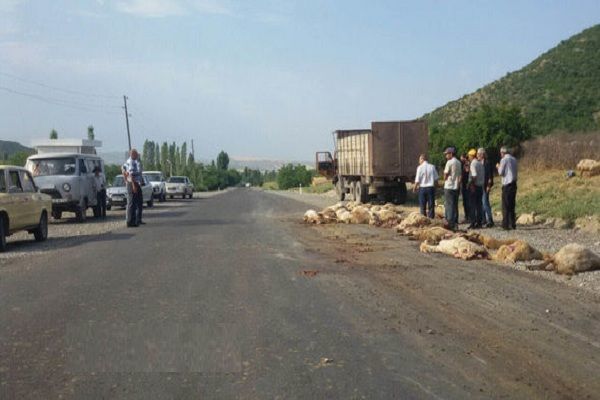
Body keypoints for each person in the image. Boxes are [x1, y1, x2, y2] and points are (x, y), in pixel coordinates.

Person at [497, 146, 518, 230]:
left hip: (507, 184)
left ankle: (505, 224)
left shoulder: (504, 160)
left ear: (502, 152)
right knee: (512, 205)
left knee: (505, 205)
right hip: (514, 183)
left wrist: (498, 166)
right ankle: (512, 223)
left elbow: (500, 172)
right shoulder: (514, 159)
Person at [122, 149, 144, 227]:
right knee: (131, 203)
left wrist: (125, 179)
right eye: (136, 154)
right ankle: (130, 221)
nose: (137, 155)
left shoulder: (135, 161)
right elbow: (130, 174)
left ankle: (134, 220)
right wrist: (133, 185)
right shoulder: (131, 162)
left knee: (136, 202)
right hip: (132, 184)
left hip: (135, 183)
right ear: (132, 154)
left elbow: (123, 170)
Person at [413, 153, 438, 219]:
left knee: (422, 206)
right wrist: (436, 187)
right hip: (430, 188)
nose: (419, 161)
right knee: (431, 206)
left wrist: (414, 188)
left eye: (419, 160)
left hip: (422, 188)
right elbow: (436, 179)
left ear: (422, 159)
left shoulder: (419, 168)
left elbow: (417, 180)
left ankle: (423, 219)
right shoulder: (432, 167)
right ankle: (431, 220)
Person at [443, 147, 461, 230]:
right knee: (455, 205)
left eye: (447, 154)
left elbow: (445, 174)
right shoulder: (458, 162)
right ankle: (455, 222)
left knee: (449, 205)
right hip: (456, 186)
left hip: (449, 186)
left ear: (451, 153)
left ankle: (450, 223)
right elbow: (460, 175)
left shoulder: (449, 162)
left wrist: (444, 178)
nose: (446, 155)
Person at [467, 148, 484, 229]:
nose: (468, 157)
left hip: (474, 187)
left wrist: (471, 185)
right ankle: (479, 222)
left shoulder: (473, 164)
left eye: (469, 156)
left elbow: (474, 175)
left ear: (471, 156)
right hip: (480, 187)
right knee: (479, 205)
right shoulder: (480, 163)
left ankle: (473, 222)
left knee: (472, 205)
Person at [478, 148, 494, 228]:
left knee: (485, 202)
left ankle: (490, 220)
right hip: (480, 185)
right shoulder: (478, 163)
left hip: (485, 185)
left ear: (482, 154)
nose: (478, 155)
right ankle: (483, 220)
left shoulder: (487, 163)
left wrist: (488, 185)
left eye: (479, 154)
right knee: (481, 203)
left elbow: (490, 176)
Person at [460, 153, 470, 224]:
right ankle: (468, 216)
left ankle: (468, 217)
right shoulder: (465, 164)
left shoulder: (466, 164)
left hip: (466, 185)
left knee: (467, 202)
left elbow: (466, 173)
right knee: (466, 202)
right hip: (465, 184)